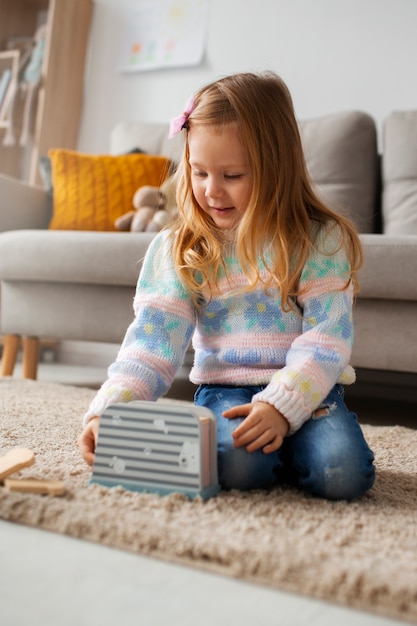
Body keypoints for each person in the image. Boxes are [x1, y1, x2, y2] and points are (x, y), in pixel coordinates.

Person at [79, 71, 375, 500]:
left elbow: (327, 339)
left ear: (277, 167)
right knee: (239, 465)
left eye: (232, 175)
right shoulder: (180, 247)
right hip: (227, 388)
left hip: (308, 388)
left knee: (342, 475)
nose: (211, 191)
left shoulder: (318, 240)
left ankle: (289, 441)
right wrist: (110, 411)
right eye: (198, 172)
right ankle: (276, 452)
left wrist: (281, 406)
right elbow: (152, 343)